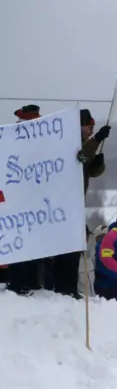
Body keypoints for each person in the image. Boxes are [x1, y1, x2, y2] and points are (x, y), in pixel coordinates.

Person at [48, 109, 111, 299]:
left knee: (75, 249)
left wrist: (98, 163)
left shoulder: (85, 145)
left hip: (74, 207)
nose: (92, 130)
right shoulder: (67, 145)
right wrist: (98, 139)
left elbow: (89, 171)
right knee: (66, 250)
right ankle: (62, 288)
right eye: (89, 127)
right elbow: (80, 157)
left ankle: (67, 288)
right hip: (61, 207)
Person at [6, 105, 45, 296]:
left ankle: (32, 281)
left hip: (35, 203)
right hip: (16, 203)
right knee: (18, 242)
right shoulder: (10, 142)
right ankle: (17, 282)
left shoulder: (39, 145)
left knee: (34, 243)